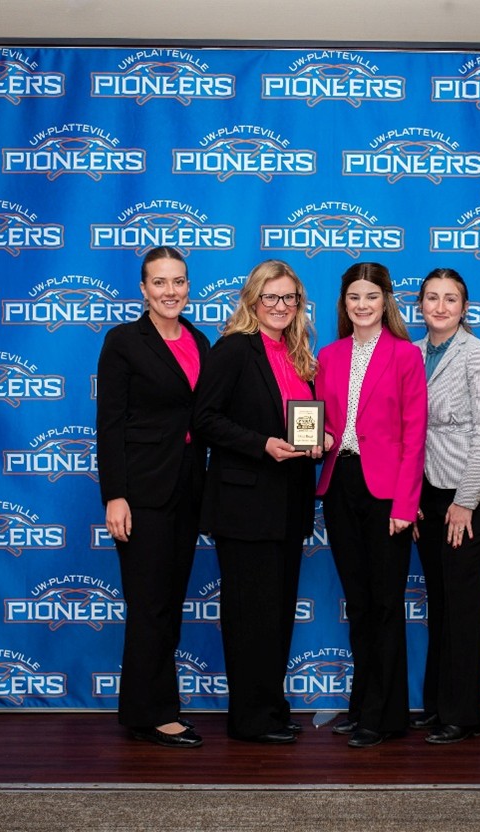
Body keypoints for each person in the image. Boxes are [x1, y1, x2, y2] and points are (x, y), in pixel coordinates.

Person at [193, 259, 320, 744]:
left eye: (289, 298)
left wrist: (320, 439)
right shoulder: (233, 349)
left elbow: (300, 419)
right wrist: (261, 444)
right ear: (253, 300)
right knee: (250, 615)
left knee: (277, 612)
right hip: (245, 506)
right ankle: (249, 718)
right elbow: (204, 419)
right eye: (271, 297)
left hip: (289, 502)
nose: (281, 306)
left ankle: (271, 707)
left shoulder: (297, 353)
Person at [96, 246, 209, 748]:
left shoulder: (200, 340)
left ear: (189, 286)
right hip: (141, 492)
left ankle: (159, 705)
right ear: (143, 289)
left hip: (188, 490)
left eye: (178, 281)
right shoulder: (122, 342)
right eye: (160, 282)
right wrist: (115, 496)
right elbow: (109, 425)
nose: (170, 291)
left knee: (168, 601)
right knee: (149, 605)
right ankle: (150, 714)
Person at [315, 262, 427, 749]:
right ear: (344, 303)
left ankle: (383, 716)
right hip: (340, 483)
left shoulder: (405, 356)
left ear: (386, 301)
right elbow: (321, 423)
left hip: (387, 492)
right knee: (359, 604)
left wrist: (406, 503)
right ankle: (363, 704)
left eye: (371, 296)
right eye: (354, 297)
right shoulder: (329, 355)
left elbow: (414, 435)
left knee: (384, 605)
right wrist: (315, 438)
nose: (362, 305)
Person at [412, 267, 480, 745]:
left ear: (464, 307)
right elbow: (408, 432)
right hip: (428, 493)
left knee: (464, 605)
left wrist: (465, 502)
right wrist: (412, 498)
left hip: (472, 493)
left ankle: (463, 714)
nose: (441, 307)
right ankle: (435, 706)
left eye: (451, 299)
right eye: (432, 298)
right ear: (420, 304)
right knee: (441, 603)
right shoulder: (413, 353)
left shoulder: (478, 353)